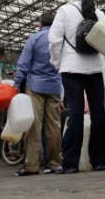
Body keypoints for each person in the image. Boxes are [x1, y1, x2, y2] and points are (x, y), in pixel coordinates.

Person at [48, 0, 105, 174]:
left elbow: (54, 40)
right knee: (99, 114)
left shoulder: (64, 11)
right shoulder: (99, 13)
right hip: (97, 68)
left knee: (75, 115)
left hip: (72, 68)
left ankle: (71, 163)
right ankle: (99, 160)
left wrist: (58, 62)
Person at [13, 11, 62, 177]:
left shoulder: (34, 38)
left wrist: (16, 83)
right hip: (55, 86)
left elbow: (23, 64)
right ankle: (54, 164)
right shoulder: (59, 39)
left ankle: (32, 165)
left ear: (40, 23)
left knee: (34, 126)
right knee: (54, 126)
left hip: (35, 86)